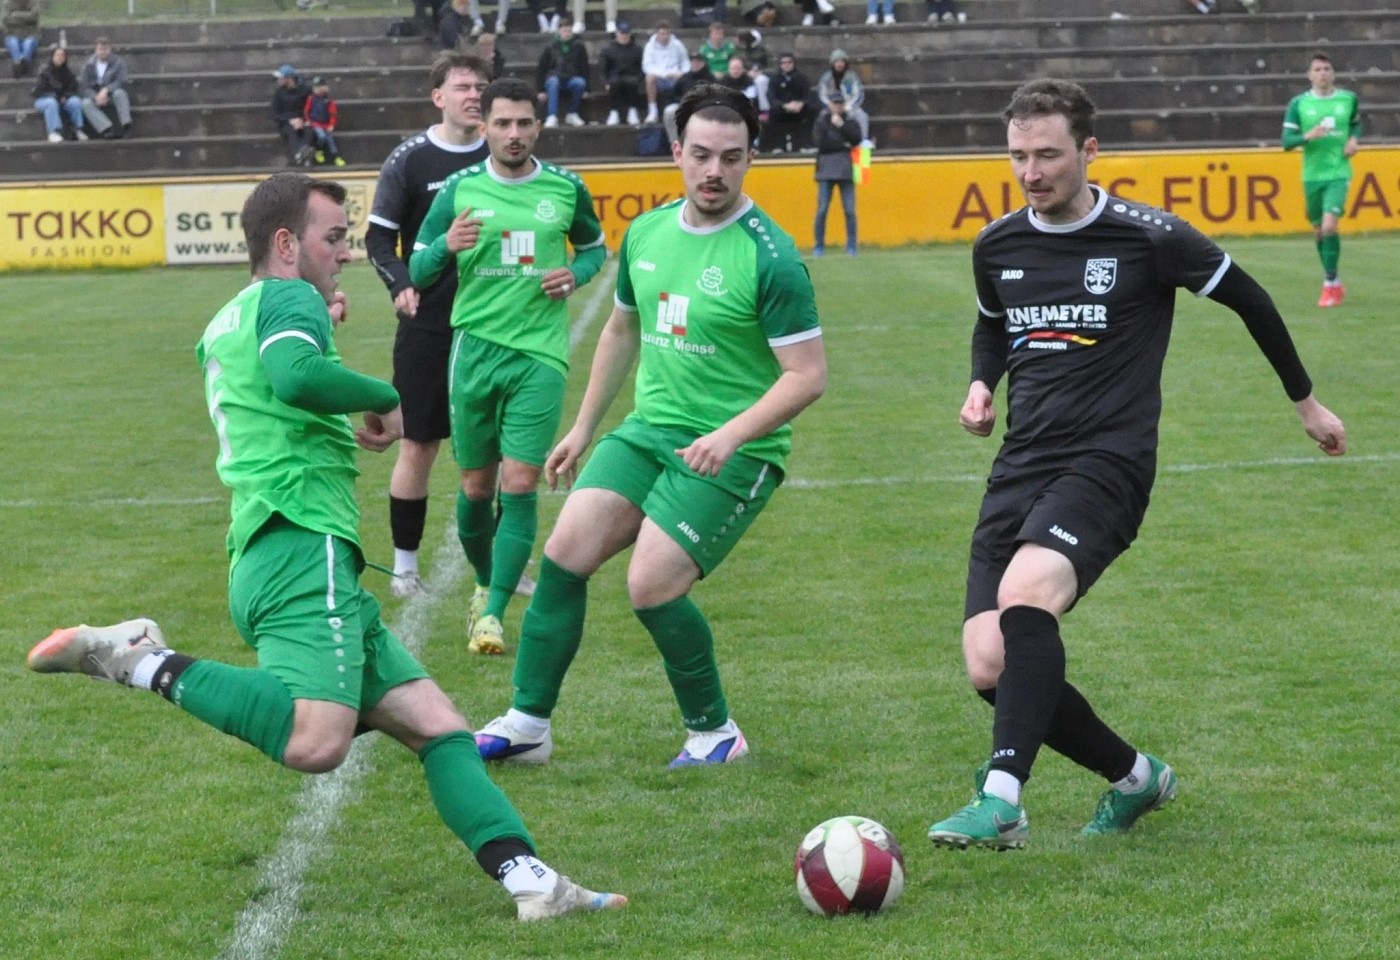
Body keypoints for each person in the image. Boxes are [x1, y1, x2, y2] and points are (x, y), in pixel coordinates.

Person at [25, 172, 628, 923]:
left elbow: (273, 394)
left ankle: (530, 882)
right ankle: (135, 657)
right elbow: (294, 374)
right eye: (334, 239)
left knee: (439, 727)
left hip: (281, 547)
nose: (344, 255)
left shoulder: (230, 316)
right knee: (318, 742)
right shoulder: (288, 297)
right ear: (287, 244)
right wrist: (383, 396)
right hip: (299, 546)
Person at [925, 78, 1347, 852]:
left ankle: (1002, 800)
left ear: (1089, 151)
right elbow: (994, 331)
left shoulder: (1150, 238)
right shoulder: (998, 244)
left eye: (1047, 154)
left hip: (1108, 462)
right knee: (990, 664)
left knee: (1025, 599)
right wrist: (983, 384)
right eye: (1018, 156)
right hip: (1021, 465)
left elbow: (1251, 300)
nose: (1030, 172)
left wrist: (1306, 404)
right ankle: (1136, 778)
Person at [472, 83, 826, 769]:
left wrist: (731, 435)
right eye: (700, 155)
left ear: (751, 158)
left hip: (734, 451)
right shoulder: (648, 231)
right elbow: (620, 327)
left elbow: (807, 375)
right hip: (648, 430)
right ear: (677, 153)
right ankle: (528, 723)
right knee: (564, 555)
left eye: (730, 157)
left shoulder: (771, 257)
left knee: (651, 584)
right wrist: (582, 427)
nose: (713, 172)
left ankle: (715, 733)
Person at [408, 77, 607, 655]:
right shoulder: (459, 189)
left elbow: (594, 248)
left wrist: (578, 274)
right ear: (484, 127)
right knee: (475, 489)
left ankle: (492, 613)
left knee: (519, 484)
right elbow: (418, 270)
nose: (514, 134)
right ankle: (483, 584)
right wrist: (445, 244)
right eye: (503, 124)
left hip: (539, 356)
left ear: (538, 127)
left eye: (524, 123)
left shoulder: (566, 189)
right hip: (473, 353)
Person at [369, 53, 538, 604]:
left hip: (496, 328)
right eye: (462, 86)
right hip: (429, 326)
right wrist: (401, 284)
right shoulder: (410, 161)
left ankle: (500, 566)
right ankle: (404, 567)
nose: (473, 94)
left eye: (480, 86)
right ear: (437, 96)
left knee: (495, 455)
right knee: (419, 445)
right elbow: (378, 240)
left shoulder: (512, 161)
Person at [1282, 52, 1360, 308]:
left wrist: (1353, 140)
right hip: (1312, 176)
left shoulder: (1348, 99)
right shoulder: (1299, 104)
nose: (1323, 73)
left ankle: (1328, 285)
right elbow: (1286, 142)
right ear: (1310, 75)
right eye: (1317, 69)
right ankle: (1335, 281)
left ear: (1333, 73)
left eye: (1327, 68)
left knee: (1328, 227)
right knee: (1318, 232)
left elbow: (1355, 124)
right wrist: (1308, 135)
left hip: (1338, 173)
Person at [812, 90, 859, 257]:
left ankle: (852, 246)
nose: (838, 106)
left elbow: (856, 139)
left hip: (846, 169)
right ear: (830, 104)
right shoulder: (821, 121)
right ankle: (819, 246)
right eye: (835, 103)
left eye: (840, 103)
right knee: (822, 209)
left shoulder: (850, 121)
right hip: (825, 169)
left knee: (850, 210)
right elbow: (821, 143)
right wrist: (843, 144)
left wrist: (841, 127)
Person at [535, 22, 589, 127]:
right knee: (553, 82)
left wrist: (587, 89)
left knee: (580, 83)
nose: (567, 33)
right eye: (565, 31)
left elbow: (584, 67)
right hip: (554, 78)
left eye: (569, 31)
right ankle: (552, 116)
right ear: (559, 31)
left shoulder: (579, 47)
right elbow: (542, 68)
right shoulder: (550, 47)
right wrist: (540, 89)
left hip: (571, 78)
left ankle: (573, 113)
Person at [79, 37, 133, 140]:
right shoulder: (89, 65)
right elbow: (84, 86)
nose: (103, 52)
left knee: (120, 93)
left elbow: (121, 81)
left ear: (110, 49)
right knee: (85, 103)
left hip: (112, 95)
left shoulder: (118, 62)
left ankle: (126, 125)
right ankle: (106, 128)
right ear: (96, 50)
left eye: (106, 49)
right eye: (100, 49)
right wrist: (96, 97)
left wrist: (106, 90)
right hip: (96, 97)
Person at [32, 45, 86, 143]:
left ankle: (77, 129)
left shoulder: (68, 72)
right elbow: (38, 90)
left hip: (62, 99)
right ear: (52, 56)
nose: (60, 57)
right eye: (57, 55)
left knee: (75, 102)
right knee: (51, 103)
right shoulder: (44, 71)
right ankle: (53, 132)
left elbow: (73, 88)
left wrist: (66, 96)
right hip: (44, 99)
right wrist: (57, 96)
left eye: (62, 55)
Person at [817, 49, 870, 145]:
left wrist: (849, 105)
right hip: (830, 107)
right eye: (837, 61)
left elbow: (859, 94)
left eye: (842, 61)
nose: (839, 64)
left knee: (862, 116)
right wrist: (829, 105)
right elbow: (821, 94)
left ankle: (863, 141)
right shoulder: (826, 78)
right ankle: (822, 144)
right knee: (822, 117)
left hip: (849, 107)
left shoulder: (852, 77)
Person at [765, 51, 814, 152]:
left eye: (789, 62)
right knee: (773, 113)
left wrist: (800, 103)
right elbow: (771, 97)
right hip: (782, 108)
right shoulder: (774, 79)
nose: (786, 65)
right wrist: (784, 106)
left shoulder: (802, 78)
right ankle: (778, 146)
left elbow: (807, 95)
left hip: (798, 108)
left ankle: (804, 144)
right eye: (783, 62)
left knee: (811, 110)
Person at [641, 20, 688, 125]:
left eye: (667, 34)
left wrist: (681, 73)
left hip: (675, 77)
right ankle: (652, 112)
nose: (665, 36)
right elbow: (647, 66)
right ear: (657, 33)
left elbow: (685, 62)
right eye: (662, 34)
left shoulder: (678, 45)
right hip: (659, 78)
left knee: (686, 79)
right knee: (649, 78)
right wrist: (664, 74)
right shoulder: (649, 47)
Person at [600, 20, 645, 126]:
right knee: (614, 83)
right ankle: (614, 112)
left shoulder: (637, 50)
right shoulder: (608, 49)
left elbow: (642, 68)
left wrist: (639, 78)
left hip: (632, 76)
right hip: (614, 77)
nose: (624, 36)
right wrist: (605, 82)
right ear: (617, 34)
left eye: (626, 34)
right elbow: (603, 69)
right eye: (621, 33)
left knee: (632, 83)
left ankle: (632, 111)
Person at [662, 50, 711, 145]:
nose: (695, 64)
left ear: (703, 63)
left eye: (698, 62)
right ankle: (675, 143)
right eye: (693, 62)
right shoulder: (684, 78)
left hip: (705, 108)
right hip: (684, 106)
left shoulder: (710, 78)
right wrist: (682, 100)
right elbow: (672, 96)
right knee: (669, 111)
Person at [270, 64, 313, 165]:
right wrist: (290, 120)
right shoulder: (278, 93)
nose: (278, 80)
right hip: (286, 122)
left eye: (280, 78)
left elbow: (310, 106)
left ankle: (303, 154)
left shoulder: (305, 90)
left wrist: (303, 120)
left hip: (303, 120)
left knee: (309, 130)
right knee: (290, 132)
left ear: (288, 79)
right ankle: (300, 154)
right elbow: (274, 113)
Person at [303, 76, 345, 166]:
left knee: (330, 140)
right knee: (321, 136)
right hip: (315, 123)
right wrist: (309, 121)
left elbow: (333, 114)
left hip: (326, 124)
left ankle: (336, 157)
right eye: (315, 87)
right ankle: (319, 150)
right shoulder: (311, 99)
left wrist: (331, 124)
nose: (317, 89)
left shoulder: (329, 101)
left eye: (319, 87)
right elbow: (307, 111)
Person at [735, 28, 770, 117]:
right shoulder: (737, 49)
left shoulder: (762, 49)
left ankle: (764, 110)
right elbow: (735, 63)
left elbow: (773, 66)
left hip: (760, 74)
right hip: (743, 74)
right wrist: (745, 72)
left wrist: (761, 72)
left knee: (761, 81)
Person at [4, 0, 39, 78]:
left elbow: (34, 17)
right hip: (12, 35)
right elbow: (6, 20)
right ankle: (17, 64)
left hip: (31, 35)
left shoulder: (33, 2)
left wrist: (16, 15)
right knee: (13, 43)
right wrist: (27, 20)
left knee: (28, 44)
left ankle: (25, 64)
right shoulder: (8, 4)